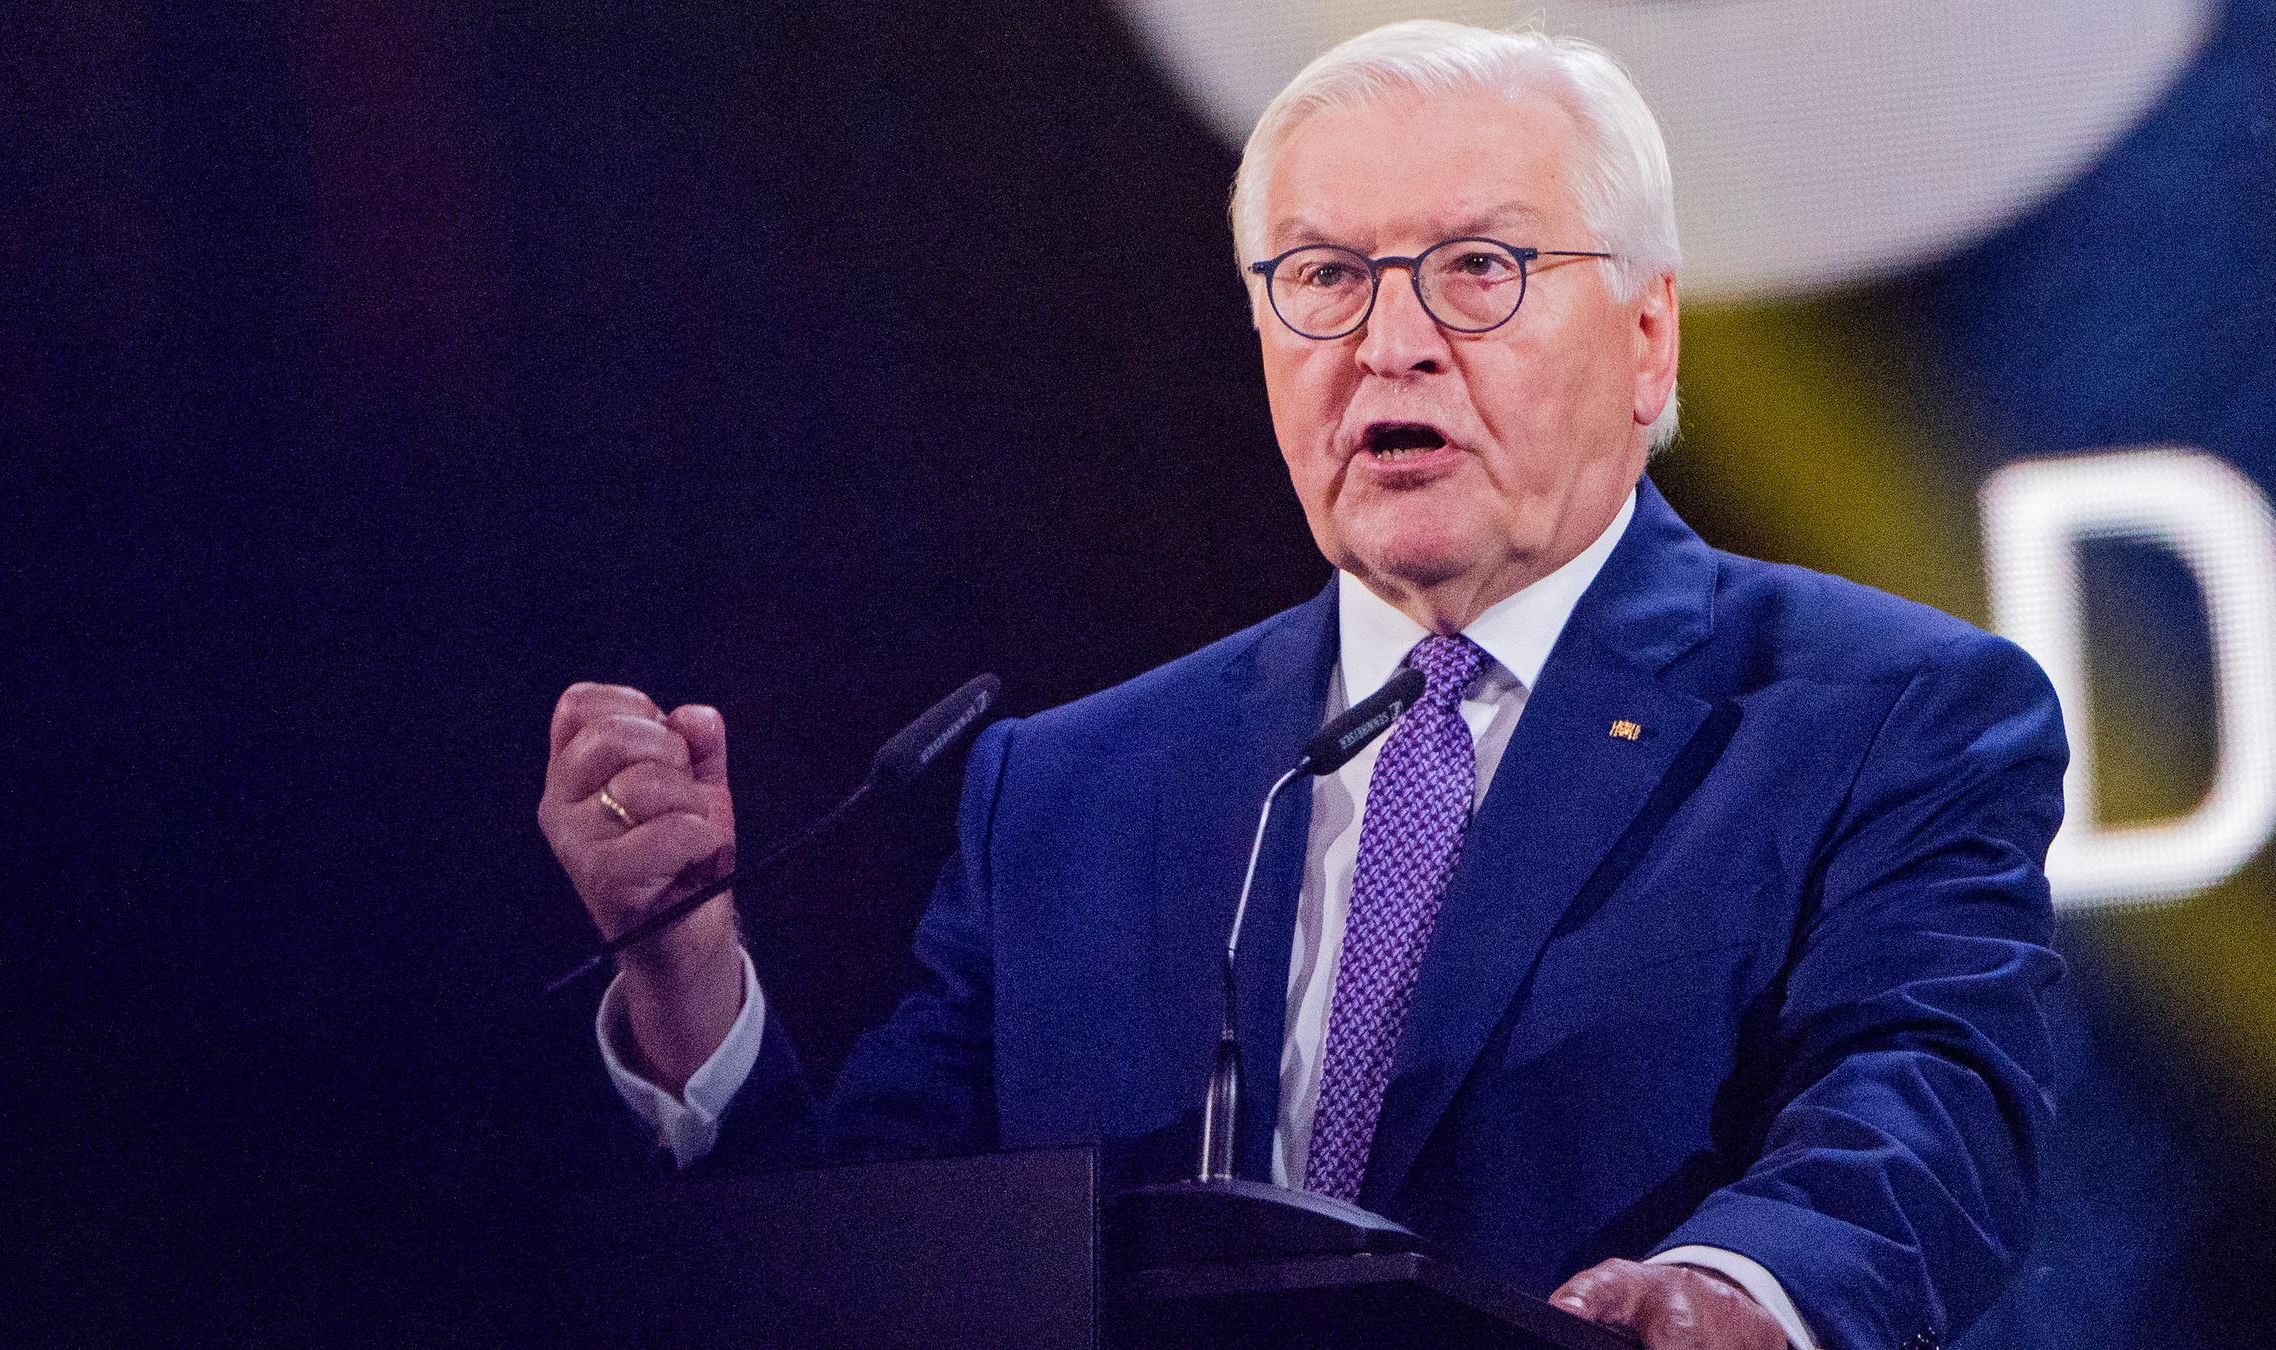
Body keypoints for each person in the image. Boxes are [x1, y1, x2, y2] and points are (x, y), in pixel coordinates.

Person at [537, 22, 2063, 1350]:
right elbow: (874, 1263)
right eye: (1326, 276)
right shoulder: (1064, 792)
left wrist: (1735, 1287)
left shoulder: (1887, 714)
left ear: (1649, 337)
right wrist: (689, 980)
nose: (1392, 344)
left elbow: (1923, 1098)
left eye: (1479, 269)